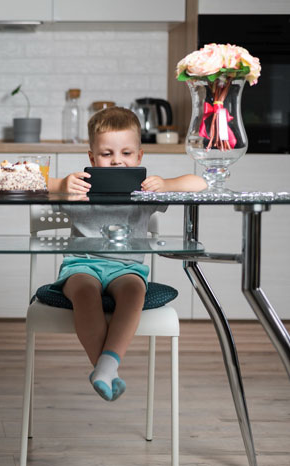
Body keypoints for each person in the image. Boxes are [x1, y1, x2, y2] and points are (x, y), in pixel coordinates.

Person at [47, 106, 206, 401]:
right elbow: (28, 184)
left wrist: (166, 185)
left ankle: (105, 368)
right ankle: (107, 369)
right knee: (85, 292)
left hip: (127, 269)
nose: (117, 161)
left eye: (126, 153)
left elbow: (201, 184)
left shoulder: (143, 192)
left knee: (134, 292)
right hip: (81, 266)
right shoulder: (78, 188)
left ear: (139, 156)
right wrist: (59, 185)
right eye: (107, 154)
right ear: (92, 158)